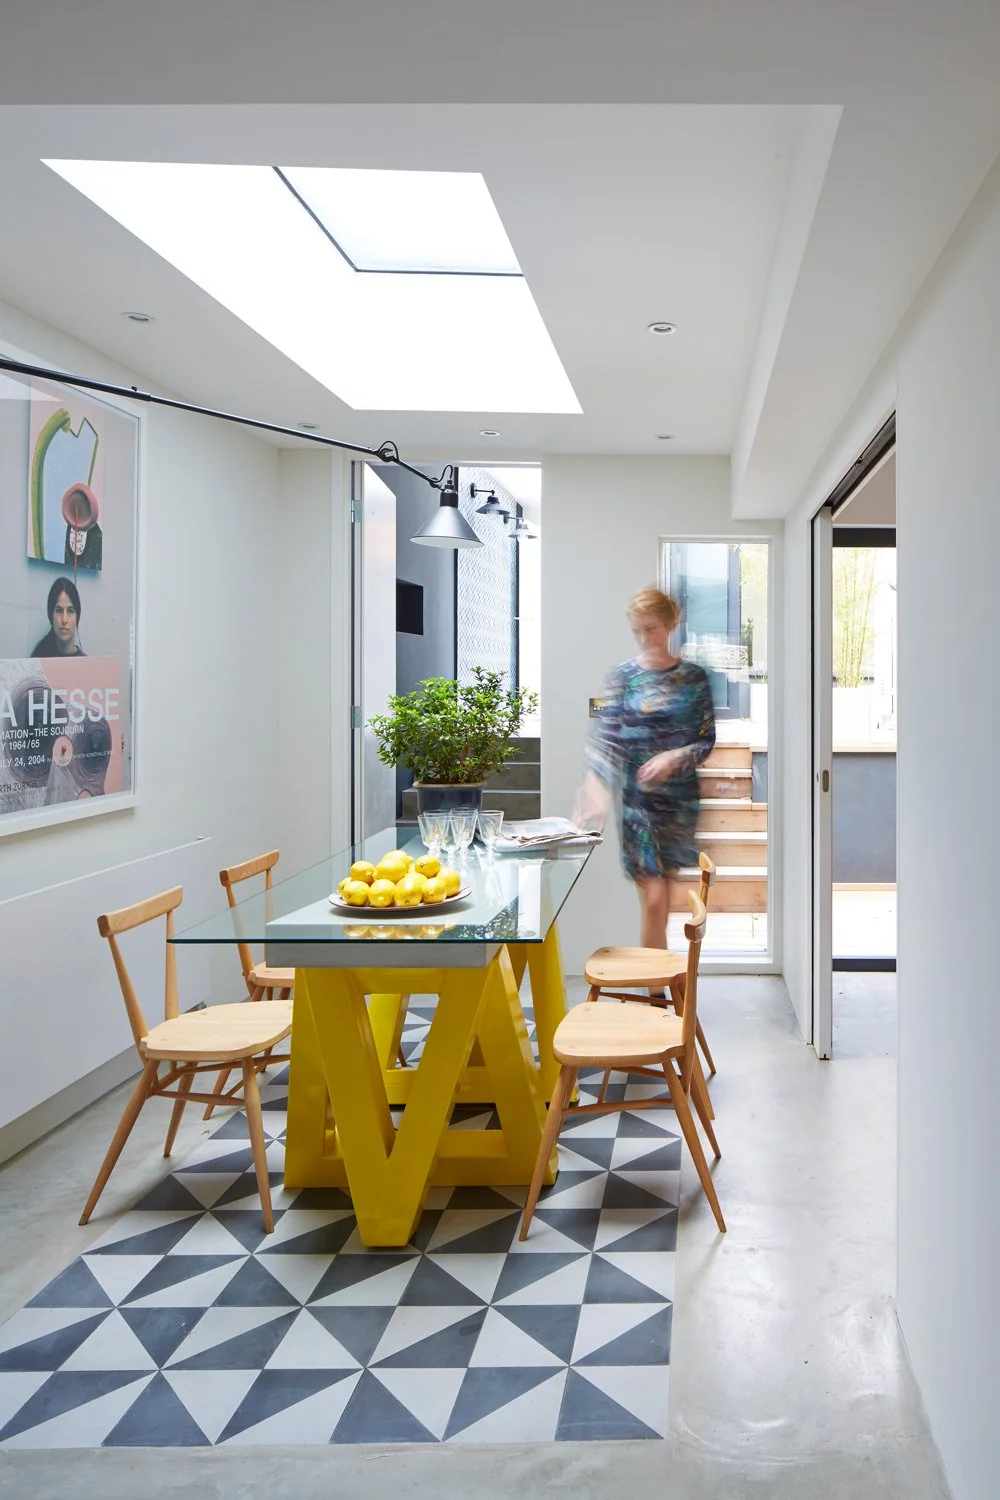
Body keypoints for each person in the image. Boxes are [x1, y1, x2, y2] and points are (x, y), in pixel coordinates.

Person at [575, 585, 715, 956]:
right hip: (637, 806)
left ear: (670, 625)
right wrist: (594, 784)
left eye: (651, 629)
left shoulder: (695, 678)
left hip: (679, 806)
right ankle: (658, 984)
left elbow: (705, 741)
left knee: (662, 901)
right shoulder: (621, 677)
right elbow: (604, 738)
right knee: (653, 900)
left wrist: (672, 759)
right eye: (637, 631)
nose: (643, 639)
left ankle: (658, 980)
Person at [31, 576, 86, 657]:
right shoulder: (38, 659)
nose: (64, 620)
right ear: (51, 615)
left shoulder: (86, 663)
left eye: (70, 611)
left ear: (77, 616)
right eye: (59, 611)